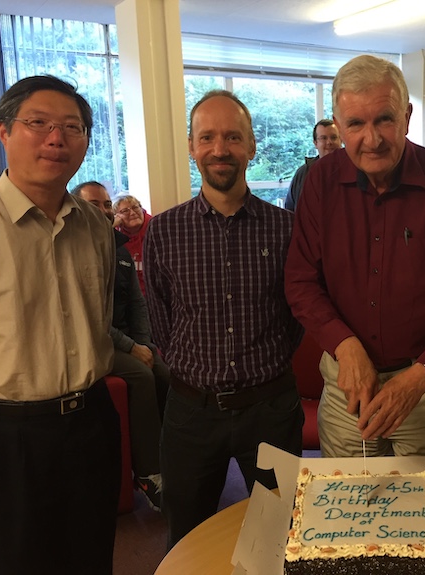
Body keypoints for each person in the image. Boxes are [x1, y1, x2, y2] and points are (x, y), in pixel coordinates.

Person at [285, 54, 425, 459]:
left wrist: (422, 376)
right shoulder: (319, 184)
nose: (372, 139)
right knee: (348, 510)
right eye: (355, 124)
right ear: (338, 124)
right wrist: (345, 346)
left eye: (384, 119)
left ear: (407, 115)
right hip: (348, 386)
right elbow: (300, 281)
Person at [0, 75, 120, 574]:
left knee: (91, 553)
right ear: (4, 132)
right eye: (38, 123)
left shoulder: (96, 225)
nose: (56, 138)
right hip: (2, 435)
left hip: (89, 422)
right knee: (8, 559)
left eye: (72, 127)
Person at [144, 89, 304, 548]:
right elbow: (160, 318)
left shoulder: (286, 228)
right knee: (187, 536)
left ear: (252, 146)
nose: (220, 149)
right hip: (190, 413)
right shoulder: (164, 230)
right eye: (207, 137)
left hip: (271, 409)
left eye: (233, 137)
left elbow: (294, 319)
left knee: (280, 536)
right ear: (192, 146)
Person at [72, 180, 170, 511]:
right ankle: (149, 474)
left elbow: (138, 305)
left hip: (128, 341)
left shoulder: (119, 249)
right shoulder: (75, 250)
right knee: (142, 377)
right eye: (94, 204)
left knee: (166, 371)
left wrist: (145, 344)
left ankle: (173, 459)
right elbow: (89, 315)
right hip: (97, 343)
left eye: (105, 204)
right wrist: (131, 347)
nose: (103, 210)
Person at [284, 118, 341, 211]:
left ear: (341, 140)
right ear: (315, 143)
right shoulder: (303, 173)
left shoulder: (353, 170)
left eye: (334, 137)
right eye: (323, 138)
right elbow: (290, 209)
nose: (329, 142)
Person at [113, 193, 151, 293]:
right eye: (125, 211)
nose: (133, 213)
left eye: (135, 207)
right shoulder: (114, 236)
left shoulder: (155, 229)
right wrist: (112, 224)